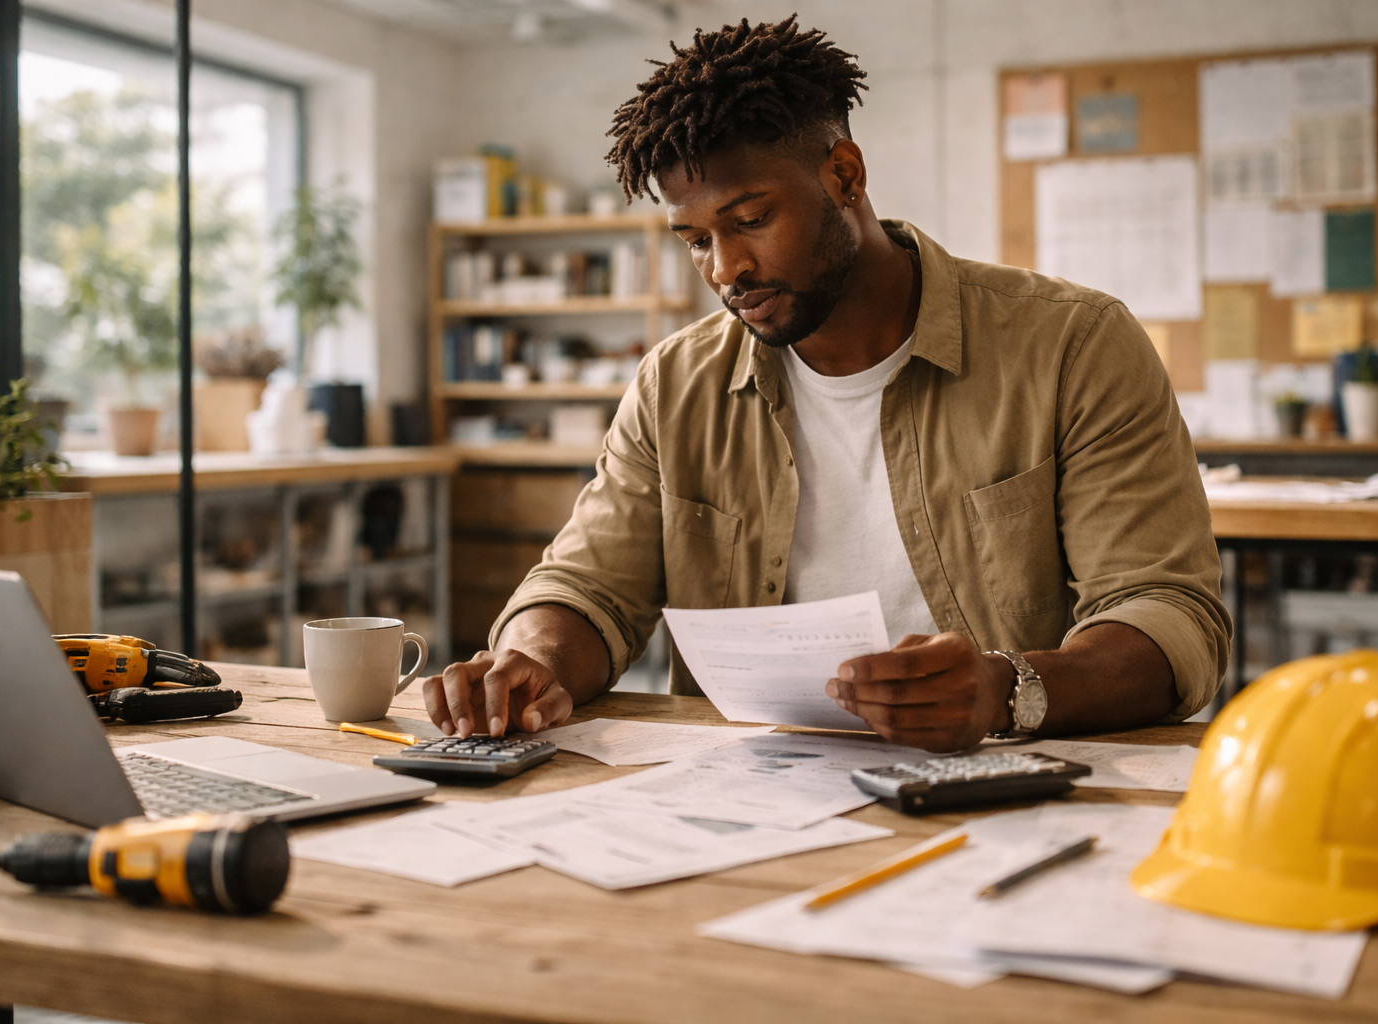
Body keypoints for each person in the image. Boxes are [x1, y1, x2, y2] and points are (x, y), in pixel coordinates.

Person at [424, 16, 1230, 752]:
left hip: (1013, 782)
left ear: (845, 175)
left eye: (749, 220)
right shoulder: (676, 385)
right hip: (751, 801)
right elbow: (587, 584)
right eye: (694, 239)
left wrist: (1004, 689)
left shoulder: (1071, 345)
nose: (725, 269)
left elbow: (1167, 614)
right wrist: (529, 662)